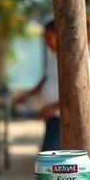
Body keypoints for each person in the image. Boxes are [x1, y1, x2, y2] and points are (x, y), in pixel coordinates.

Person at [14, 20, 61, 151]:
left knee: (50, 156)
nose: (47, 43)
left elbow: (76, 93)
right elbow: (46, 79)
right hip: (53, 116)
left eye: (49, 38)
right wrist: (27, 96)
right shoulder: (54, 57)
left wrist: (52, 108)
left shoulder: (70, 58)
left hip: (62, 117)